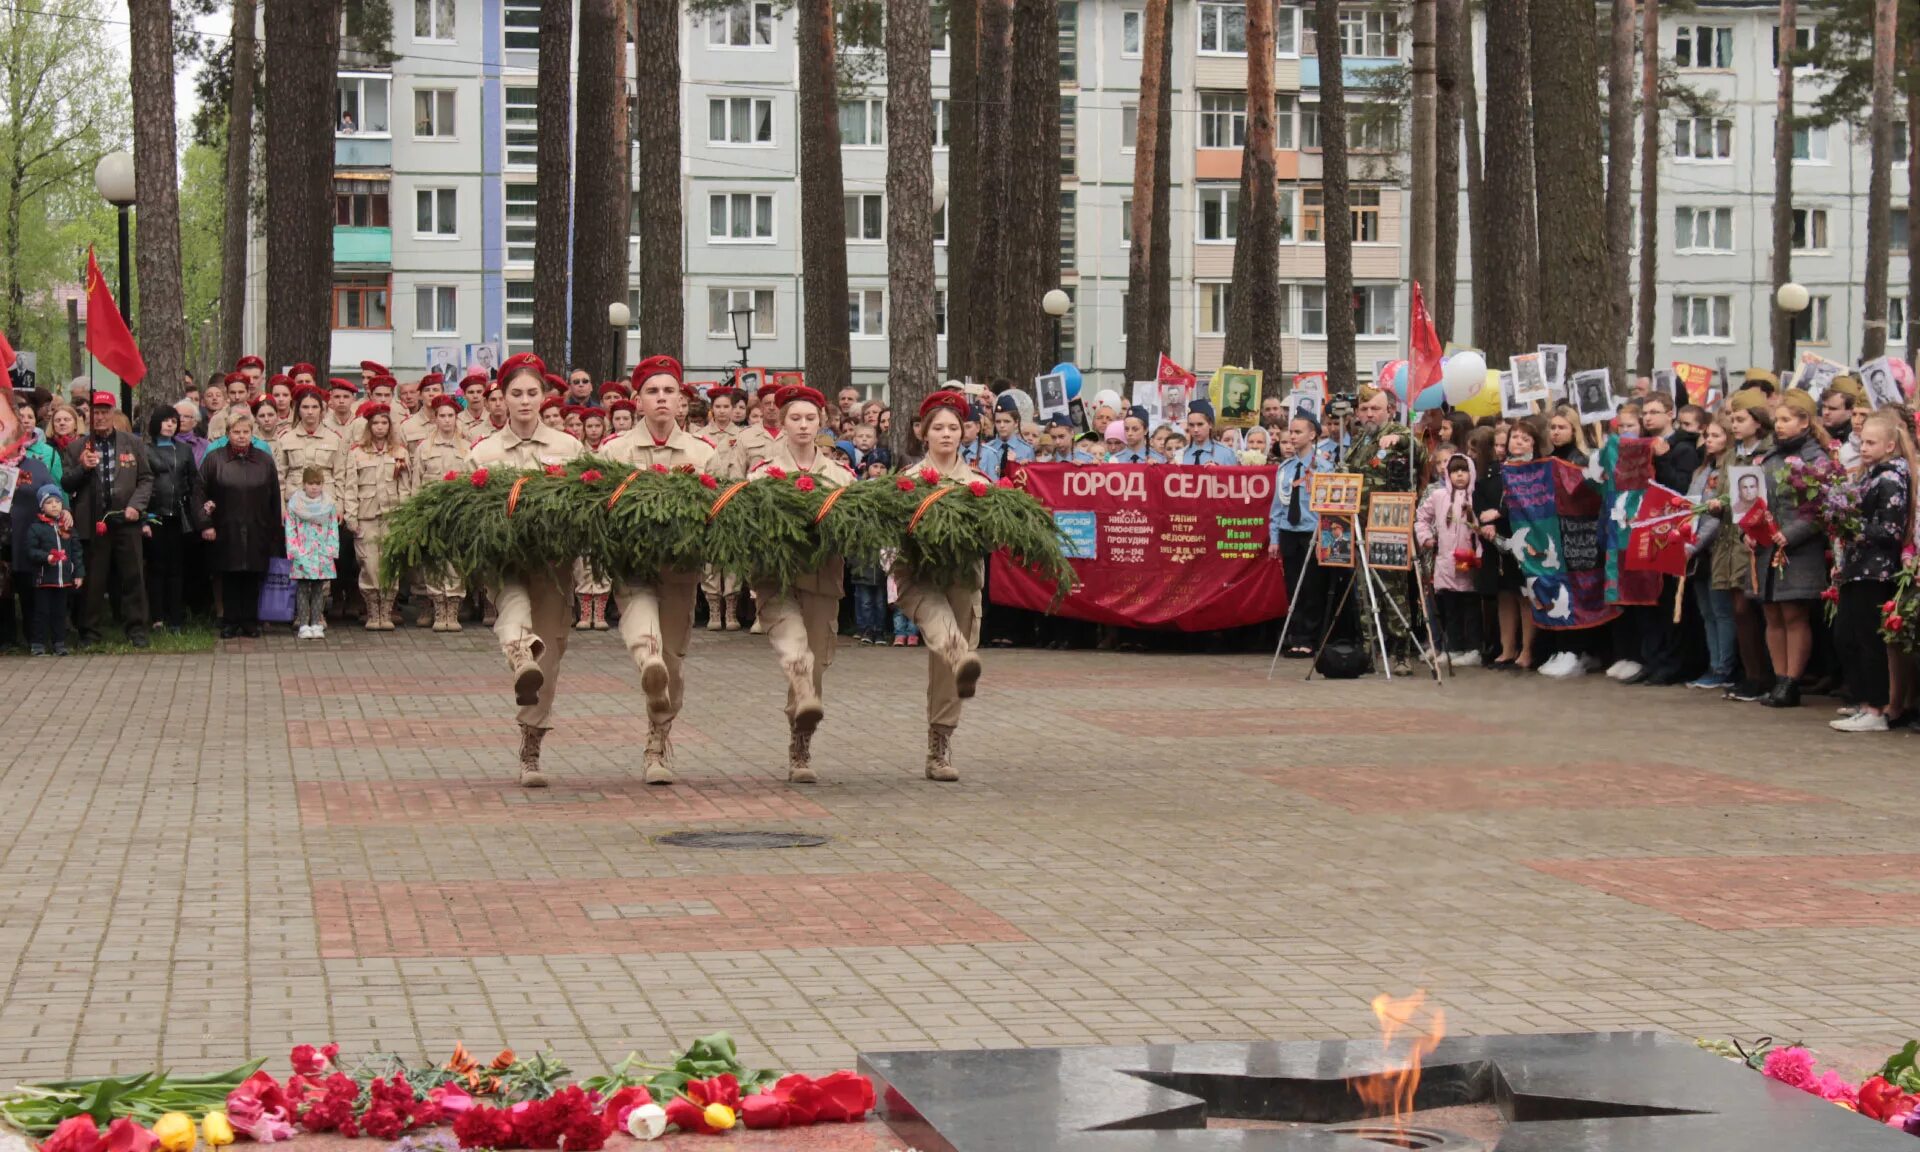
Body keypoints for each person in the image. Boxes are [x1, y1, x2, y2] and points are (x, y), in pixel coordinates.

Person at [601, 355, 718, 784]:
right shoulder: (614, 452)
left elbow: (721, 509)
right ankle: (647, 663)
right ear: (637, 401)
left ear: (682, 401)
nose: (662, 399)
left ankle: (658, 742)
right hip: (633, 568)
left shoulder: (704, 453)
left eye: (670, 391)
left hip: (681, 571)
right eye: (653, 391)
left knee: (671, 662)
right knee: (644, 637)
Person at [471, 355, 586, 786]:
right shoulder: (484, 451)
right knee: (513, 610)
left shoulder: (568, 447)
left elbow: (583, 501)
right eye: (515, 393)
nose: (523, 401)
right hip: (504, 560)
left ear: (544, 396)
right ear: (501, 397)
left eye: (531, 393)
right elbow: (469, 510)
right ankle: (519, 653)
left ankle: (531, 740)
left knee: (550, 655)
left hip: (554, 564)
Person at [746, 384, 857, 783]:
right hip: (778, 578)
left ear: (822, 423)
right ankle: (800, 750)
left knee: (818, 664)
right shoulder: (764, 474)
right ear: (782, 422)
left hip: (824, 579)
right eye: (796, 418)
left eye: (811, 418)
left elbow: (856, 526)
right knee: (798, 655)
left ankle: (801, 736)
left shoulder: (841, 476)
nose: (804, 425)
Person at [892, 390, 989, 782]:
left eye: (954, 427)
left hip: (963, 578)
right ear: (923, 433)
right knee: (950, 643)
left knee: (948, 669)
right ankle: (958, 654)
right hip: (919, 577)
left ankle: (939, 747)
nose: (946, 434)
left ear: (964, 433)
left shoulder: (979, 484)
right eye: (938, 428)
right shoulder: (907, 483)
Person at [1831, 410, 1916, 731]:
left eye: (1871, 442)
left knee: (1868, 639)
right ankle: (1864, 701)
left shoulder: (1891, 478)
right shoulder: (1871, 475)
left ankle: (1876, 708)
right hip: (1857, 566)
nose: (1864, 448)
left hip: (1875, 570)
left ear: (1891, 445)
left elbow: (1890, 531)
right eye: (1862, 441)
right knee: (1847, 635)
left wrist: (1853, 527)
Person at [1747, 388, 1831, 708]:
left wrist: (1791, 534)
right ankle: (1778, 677)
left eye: (1785, 419)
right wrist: (1749, 531)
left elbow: (1822, 508)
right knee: (1771, 614)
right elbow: (1752, 498)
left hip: (1797, 549)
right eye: (1777, 419)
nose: (1778, 425)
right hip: (1766, 547)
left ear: (1804, 421)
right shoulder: (1770, 456)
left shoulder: (1816, 459)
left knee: (1793, 615)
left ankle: (1791, 681)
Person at [61, 391, 151, 648]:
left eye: (104, 412)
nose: (99, 417)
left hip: (126, 519)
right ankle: (89, 631)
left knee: (133, 576)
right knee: (92, 580)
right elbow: (67, 483)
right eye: (95, 413)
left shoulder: (131, 443)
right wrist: (83, 468)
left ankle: (137, 629)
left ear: (113, 413)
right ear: (88, 415)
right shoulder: (77, 446)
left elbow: (146, 479)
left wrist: (136, 506)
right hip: (92, 521)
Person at [191, 410, 285, 639]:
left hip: (257, 527)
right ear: (227, 433)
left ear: (252, 434)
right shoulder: (215, 459)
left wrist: (274, 530)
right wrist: (206, 524)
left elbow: (274, 496)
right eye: (236, 432)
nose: (241, 436)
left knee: (253, 575)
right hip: (226, 527)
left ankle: (250, 621)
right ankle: (230, 621)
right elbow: (199, 493)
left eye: (246, 432)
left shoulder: (264, 460)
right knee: (230, 575)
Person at [342, 402, 414, 630]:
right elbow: (350, 487)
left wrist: (405, 516)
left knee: (390, 563)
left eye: (384, 423)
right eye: (376, 423)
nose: (380, 427)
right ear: (369, 426)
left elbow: (405, 487)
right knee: (369, 564)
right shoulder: (357, 453)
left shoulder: (400, 452)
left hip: (392, 515)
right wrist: (351, 517)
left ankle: (387, 611)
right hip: (366, 516)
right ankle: (373, 611)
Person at [1481, 418, 1540, 670]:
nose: (1518, 442)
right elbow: (1481, 494)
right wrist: (1485, 518)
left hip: (1524, 535)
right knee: (1504, 593)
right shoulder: (1496, 468)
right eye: (1515, 437)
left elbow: (1528, 500)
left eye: (1525, 439)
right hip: (1496, 538)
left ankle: (1527, 650)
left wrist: (1500, 513)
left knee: (1523, 594)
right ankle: (1507, 649)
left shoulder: (1535, 469)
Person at [1687, 414, 1740, 692]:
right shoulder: (1702, 472)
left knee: (1722, 611)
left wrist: (1694, 544)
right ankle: (1713, 663)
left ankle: (1725, 667)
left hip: (1718, 546)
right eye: (1707, 435)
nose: (1709, 440)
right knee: (1707, 611)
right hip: (1698, 550)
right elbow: (1691, 507)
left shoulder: (1727, 473)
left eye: (1716, 436)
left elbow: (1716, 516)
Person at [411, 395, 473, 631]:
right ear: (435, 418)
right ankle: (439, 610)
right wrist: (417, 515)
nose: (447, 421)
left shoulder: (466, 448)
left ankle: (453, 612)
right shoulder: (423, 448)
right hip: (431, 512)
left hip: (457, 513)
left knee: (455, 562)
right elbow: (416, 485)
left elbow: (472, 483)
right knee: (434, 561)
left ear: (456, 419)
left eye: (451, 416)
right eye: (442, 416)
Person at [1416, 453, 1483, 666]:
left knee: (1470, 606)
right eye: (1455, 471)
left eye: (1464, 470)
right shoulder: (1438, 496)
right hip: (1445, 562)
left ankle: (1473, 647)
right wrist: (1426, 538)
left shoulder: (1476, 497)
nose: (1460, 475)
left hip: (1469, 560)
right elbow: (1421, 517)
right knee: (1450, 606)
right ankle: (1453, 647)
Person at [1271, 413, 1323, 657]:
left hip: (1312, 532)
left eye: (1298, 432)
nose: (1292, 436)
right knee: (1293, 586)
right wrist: (1274, 538)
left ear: (1312, 435)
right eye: (1290, 432)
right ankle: (1296, 636)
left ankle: (1310, 638)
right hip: (1289, 532)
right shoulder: (1285, 468)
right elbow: (1277, 507)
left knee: (1312, 586)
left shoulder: (1323, 465)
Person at [143, 405, 196, 633]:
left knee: (177, 568)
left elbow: (193, 481)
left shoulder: (184, 450)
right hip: (155, 516)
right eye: (165, 421)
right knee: (156, 567)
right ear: (156, 423)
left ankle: (176, 617)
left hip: (178, 516)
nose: (170, 425)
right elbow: (141, 483)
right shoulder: (144, 450)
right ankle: (157, 616)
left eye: (173, 421)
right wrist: (145, 516)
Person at [285, 465, 340, 640]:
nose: (314, 487)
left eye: (317, 483)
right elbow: (290, 528)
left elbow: (333, 528)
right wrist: (294, 550)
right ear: (304, 484)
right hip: (302, 552)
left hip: (322, 553)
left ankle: (316, 623)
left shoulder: (329, 504)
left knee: (319, 588)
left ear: (323, 484)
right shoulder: (295, 504)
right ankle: (303, 624)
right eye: (310, 483)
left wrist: (331, 549)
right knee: (302, 588)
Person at [25, 484, 81, 655]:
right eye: (49, 502)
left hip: (63, 580)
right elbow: (31, 550)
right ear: (42, 506)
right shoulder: (36, 528)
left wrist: (78, 573)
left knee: (60, 613)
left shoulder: (67, 526)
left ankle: (59, 643)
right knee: (42, 612)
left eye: (58, 501)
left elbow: (76, 551)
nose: (55, 505)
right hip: (44, 579)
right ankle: (38, 643)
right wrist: (46, 557)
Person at [978, 395, 1036, 480]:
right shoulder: (987, 448)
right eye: (998, 421)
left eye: (1006, 421)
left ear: (1016, 423)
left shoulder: (1027, 450)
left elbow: (1031, 480)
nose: (1002, 425)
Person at [1180, 400, 1240, 465]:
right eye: (1191, 425)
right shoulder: (1181, 455)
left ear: (1210, 424)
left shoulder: (1226, 453)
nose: (1195, 430)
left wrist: (1218, 472)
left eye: (1200, 424)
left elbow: (1233, 474)